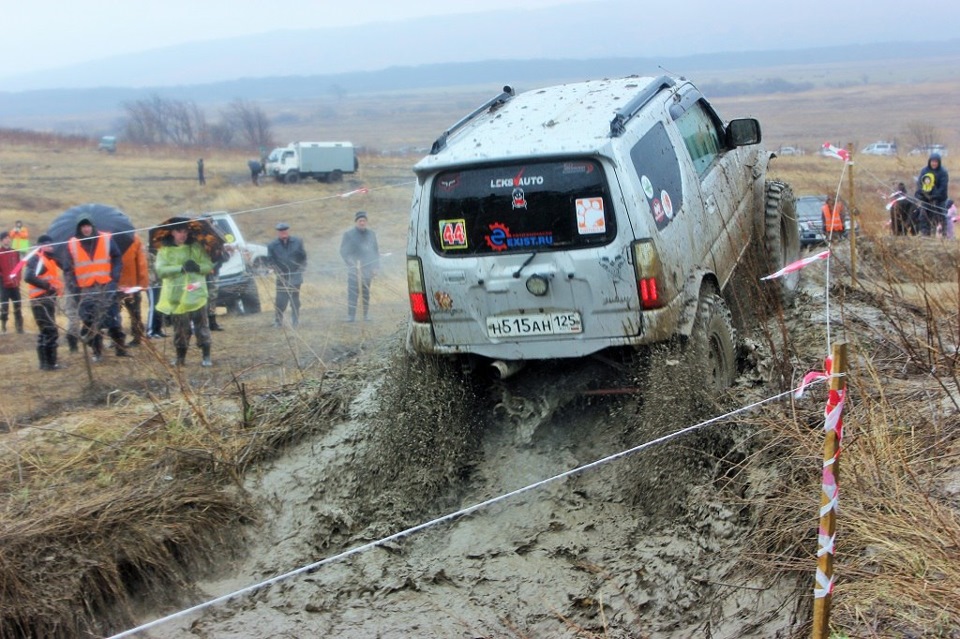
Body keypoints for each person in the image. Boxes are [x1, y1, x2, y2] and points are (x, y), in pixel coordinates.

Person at [63, 213, 127, 362]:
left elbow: (117, 257)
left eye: (88, 225)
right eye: (83, 226)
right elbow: (68, 269)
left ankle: (121, 348)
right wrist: (74, 289)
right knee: (90, 322)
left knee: (114, 319)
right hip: (86, 289)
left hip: (106, 285)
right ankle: (97, 352)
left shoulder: (106, 238)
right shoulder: (72, 244)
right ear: (79, 228)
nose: (86, 229)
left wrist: (114, 277)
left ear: (92, 226)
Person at [154, 217, 215, 367]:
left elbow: (208, 265)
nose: (183, 235)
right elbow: (161, 271)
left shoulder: (196, 248)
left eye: (185, 232)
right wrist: (180, 268)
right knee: (180, 329)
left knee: (202, 327)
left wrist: (198, 267)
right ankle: (180, 358)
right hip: (176, 296)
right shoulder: (164, 251)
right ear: (172, 232)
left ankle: (206, 356)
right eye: (179, 231)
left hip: (197, 294)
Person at [22, 234, 64, 370]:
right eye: (48, 245)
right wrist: (47, 286)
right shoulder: (36, 258)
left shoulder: (50, 259)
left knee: (45, 331)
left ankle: (44, 364)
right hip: (40, 300)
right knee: (50, 331)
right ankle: (50, 364)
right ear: (41, 246)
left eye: (51, 245)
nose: (51, 247)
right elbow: (28, 276)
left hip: (47, 299)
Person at [339, 211, 380, 322]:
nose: (362, 223)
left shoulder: (371, 234)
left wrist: (376, 267)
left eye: (364, 221)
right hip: (354, 269)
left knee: (366, 292)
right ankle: (351, 316)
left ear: (366, 222)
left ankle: (365, 315)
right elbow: (343, 251)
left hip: (367, 268)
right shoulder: (349, 234)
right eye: (360, 221)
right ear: (356, 222)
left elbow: (376, 251)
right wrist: (351, 263)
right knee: (353, 292)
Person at [267, 222, 307, 327]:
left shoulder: (297, 242)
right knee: (280, 300)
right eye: (281, 231)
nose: (283, 232)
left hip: (295, 275)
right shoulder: (272, 245)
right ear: (278, 232)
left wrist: (301, 269)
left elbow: (303, 258)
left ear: (288, 231)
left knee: (295, 300)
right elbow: (270, 261)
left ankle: (295, 320)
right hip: (282, 276)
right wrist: (276, 271)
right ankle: (278, 320)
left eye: (285, 230)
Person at [118, 233, 149, 346]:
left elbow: (141, 263)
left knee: (134, 313)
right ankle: (118, 338)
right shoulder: (133, 238)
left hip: (130, 285)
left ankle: (137, 338)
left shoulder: (134, 239)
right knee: (116, 314)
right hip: (117, 284)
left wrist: (142, 284)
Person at [914, 152, 949, 236]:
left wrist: (935, 196)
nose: (934, 163)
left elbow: (943, 186)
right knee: (923, 216)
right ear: (929, 162)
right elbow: (920, 183)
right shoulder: (924, 170)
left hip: (940, 199)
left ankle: (943, 235)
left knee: (941, 216)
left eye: (936, 162)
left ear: (939, 162)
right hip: (926, 198)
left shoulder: (943, 172)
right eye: (932, 161)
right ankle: (925, 233)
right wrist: (922, 194)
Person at [0, 231, 24, 333]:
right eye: (5, 238)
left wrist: (17, 279)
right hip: (4, 285)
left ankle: (19, 328)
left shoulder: (15, 252)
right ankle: (4, 327)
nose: (7, 240)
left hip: (15, 285)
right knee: (4, 306)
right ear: (1, 241)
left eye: (8, 238)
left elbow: (19, 266)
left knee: (18, 305)